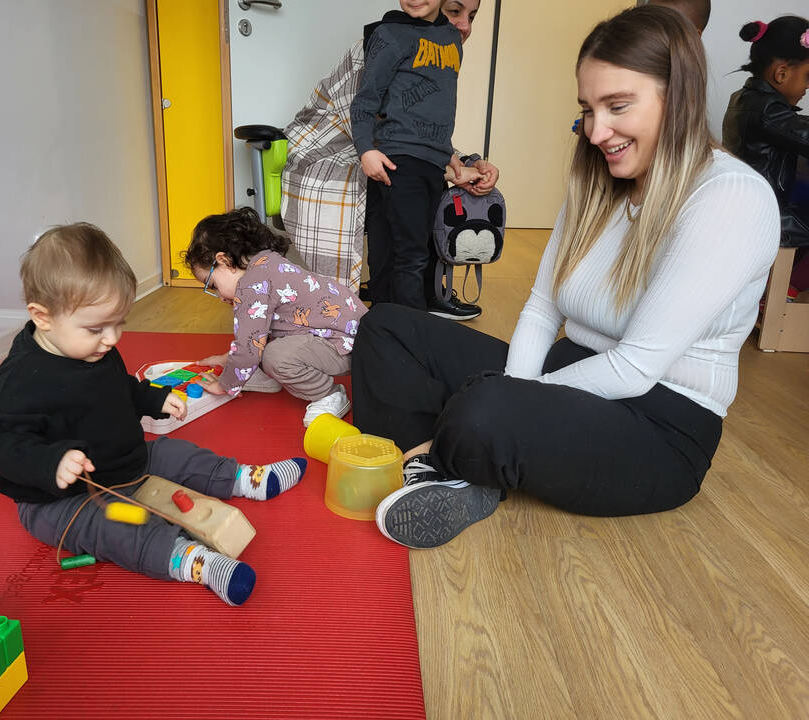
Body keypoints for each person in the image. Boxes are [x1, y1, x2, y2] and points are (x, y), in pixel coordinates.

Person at [351, 5, 781, 549]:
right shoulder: (598, 180)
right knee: (385, 327)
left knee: (484, 407)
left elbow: (634, 369)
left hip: (658, 423)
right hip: (566, 375)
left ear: (678, 97)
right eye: (588, 109)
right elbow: (541, 309)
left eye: (617, 106)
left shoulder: (732, 196)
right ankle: (449, 470)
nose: (596, 131)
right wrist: (518, 393)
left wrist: (511, 399)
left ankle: (452, 451)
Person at [0, 223, 307, 605]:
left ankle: (245, 479)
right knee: (112, 526)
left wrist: (153, 399)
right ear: (42, 317)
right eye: (97, 328)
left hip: (125, 461)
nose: (112, 338)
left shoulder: (94, 347)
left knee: (175, 453)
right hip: (60, 499)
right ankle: (188, 559)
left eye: (119, 323)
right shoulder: (21, 377)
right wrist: (51, 462)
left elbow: (117, 387)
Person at [280, 0, 498, 321]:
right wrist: (366, 150)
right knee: (407, 253)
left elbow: (437, 110)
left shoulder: (451, 41)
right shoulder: (389, 35)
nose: (465, 24)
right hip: (396, 160)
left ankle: (386, 319)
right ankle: (409, 327)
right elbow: (365, 101)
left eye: (472, 16)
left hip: (429, 164)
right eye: (457, 12)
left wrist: (454, 158)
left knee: (410, 246)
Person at [183, 208, 367, 428]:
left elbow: (249, 346)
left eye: (212, 285)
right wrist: (229, 360)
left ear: (225, 261)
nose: (220, 296)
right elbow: (261, 333)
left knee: (274, 356)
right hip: (354, 338)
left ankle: (328, 394)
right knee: (266, 342)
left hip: (348, 348)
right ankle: (266, 375)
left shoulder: (251, 285)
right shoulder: (267, 262)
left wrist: (225, 384)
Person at [722, 16, 809, 299]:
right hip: (765, 216)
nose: (807, 88)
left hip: (750, 209)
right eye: (807, 77)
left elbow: (794, 127)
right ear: (781, 73)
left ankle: (784, 284)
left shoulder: (745, 99)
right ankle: (788, 288)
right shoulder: (767, 111)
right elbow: (797, 131)